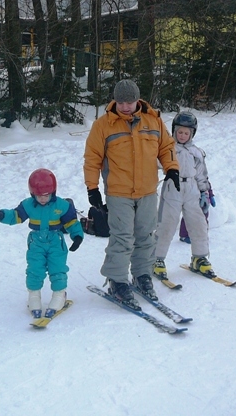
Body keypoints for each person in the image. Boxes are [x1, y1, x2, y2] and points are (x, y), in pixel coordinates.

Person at [83, 79, 179, 310]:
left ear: (138, 100)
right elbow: (92, 158)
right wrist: (92, 188)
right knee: (122, 238)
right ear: (115, 100)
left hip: (147, 190)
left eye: (130, 101)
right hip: (119, 192)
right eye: (121, 102)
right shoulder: (103, 125)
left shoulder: (153, 119)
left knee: (146, 235)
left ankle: (142, 275)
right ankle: (117, 281)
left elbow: (166, 147)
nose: (126, 106)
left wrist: (172, 168)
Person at [0, 168, 84, 318]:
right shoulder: (28, 205)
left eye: (46, 195)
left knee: (57, 268)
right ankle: (34, 296)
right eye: (38, 195)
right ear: (32, 193)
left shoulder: (62, 205)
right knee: (35, 269)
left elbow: (72, 222)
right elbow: (16, 216)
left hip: (55, 242)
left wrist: (77, 236)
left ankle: (59, 295)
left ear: (53, 192)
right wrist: (2, 215)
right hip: (36, 243)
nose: (42, 199)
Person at [153, 111, 216, 280]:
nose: (182, 135)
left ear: (192, 134)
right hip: (172, 188)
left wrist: (205, 192)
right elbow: (154, 163)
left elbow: (202, 174)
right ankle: (156, 259)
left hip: (192, 189)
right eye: (179, 132)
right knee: (166, 224)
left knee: (199, 224)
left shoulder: (197, 152)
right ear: (174, 131)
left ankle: (200, 258)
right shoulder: (167, 149)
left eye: (186, 133)